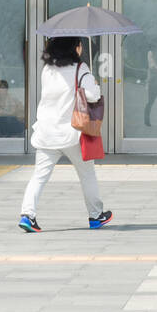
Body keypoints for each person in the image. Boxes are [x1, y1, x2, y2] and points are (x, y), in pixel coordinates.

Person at [18, 36, 112, 232]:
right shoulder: (81, 69)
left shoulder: (47, 70)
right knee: (87, 174)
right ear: (75, 48)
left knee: (39, 176)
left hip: (46, 132)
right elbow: (93, 95)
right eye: (79, 45)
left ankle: (28, 215)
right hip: (72, 133)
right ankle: (96, 216)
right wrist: (93, 83)